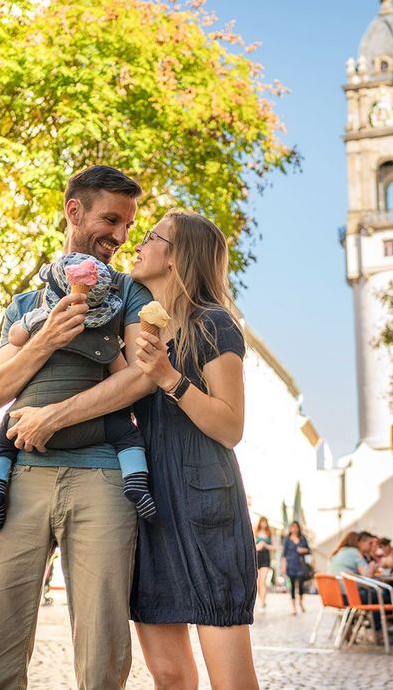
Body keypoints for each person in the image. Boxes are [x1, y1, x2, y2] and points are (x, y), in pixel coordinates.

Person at [0, 165, 155, 690]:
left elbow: (142, 377)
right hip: (21, 479)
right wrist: (47, 337)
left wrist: (55, 416)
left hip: (103, 478)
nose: (121, 236)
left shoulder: (130, 294)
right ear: (74, 211)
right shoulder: (25, 305)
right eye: (111, 220)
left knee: (102, 651)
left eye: (128, 225)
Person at [130, 209, 259, 689]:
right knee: (168, 676)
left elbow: (230, 425)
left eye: (151, 236)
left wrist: (170, 379)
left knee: (231, 682)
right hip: (153, 509)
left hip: (207, 509)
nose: (138, 244)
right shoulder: (140, 327)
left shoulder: (214, 324)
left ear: (176, 256)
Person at [0, 251, 154, 531]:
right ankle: (136, 484)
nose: (122, 237)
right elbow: (125, 375)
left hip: (31, 432)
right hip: (93, 430)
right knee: (128, 435)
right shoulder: (103, 332)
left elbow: (15, 336)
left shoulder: (35, 316)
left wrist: (53, 416)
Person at [281, 521, 311, 615]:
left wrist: (303, 550)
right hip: (290, 565)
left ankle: (301, 602)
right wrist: (283, 566)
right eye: (292, 527)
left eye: (296, 527)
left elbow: (309, 550)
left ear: (298, 528)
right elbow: (284, 554)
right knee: (292, 587)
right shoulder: (287, 539)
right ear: (290, 528)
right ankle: (293, 607)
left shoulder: (302, 538)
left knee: (301, 586)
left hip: (300, 565)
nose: (294, 529)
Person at [254, 517, 277, 609]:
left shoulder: (270, 534)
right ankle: (261, 599)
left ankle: (262, 602)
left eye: (265, 522)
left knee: (263, 581)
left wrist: (266, 545)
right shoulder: (255, 533)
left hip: (265, 559)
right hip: (256, 558)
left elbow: (274, 547)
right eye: (262, 522)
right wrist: (259, 546)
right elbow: (251, 546)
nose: (263, 524)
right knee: (257, 582)